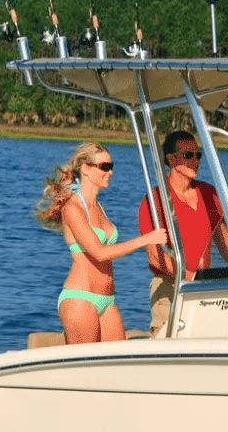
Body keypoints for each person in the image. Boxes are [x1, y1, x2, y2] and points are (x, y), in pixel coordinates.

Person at [34, 142, 168, 344]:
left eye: (111, 166)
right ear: (86, 168)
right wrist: (146, 239)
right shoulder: (73, 208)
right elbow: (99, 252)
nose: (110, 172)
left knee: (118, 358)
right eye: (104, 167)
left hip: (107, 300)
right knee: (84, 363)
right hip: (81, 297)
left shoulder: (98, 207)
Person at [137, 130, 228, 336]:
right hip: (169, 285)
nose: (195, 161)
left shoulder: (208, 193)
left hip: (203, 283)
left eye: (198, 155)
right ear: (172, 159)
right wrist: (187, 276)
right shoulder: (155, 199)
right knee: (167, 342)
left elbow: (223, 237)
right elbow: (155, 256)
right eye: (188, 155)